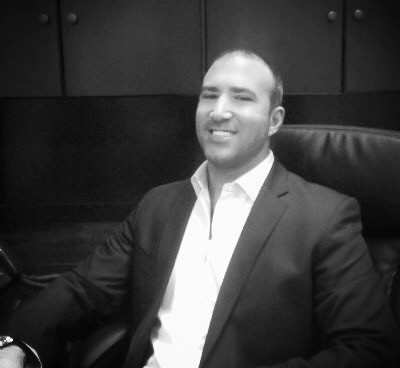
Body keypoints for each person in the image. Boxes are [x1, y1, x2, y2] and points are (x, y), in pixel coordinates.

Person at [1, 50, 399, 368]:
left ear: (274, 120)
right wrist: (14, 343)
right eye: (209, 94)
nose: (218, 110)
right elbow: (84, 288)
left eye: (241, 97)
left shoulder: (325, 217)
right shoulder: (159, 204)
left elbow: (368, 348)